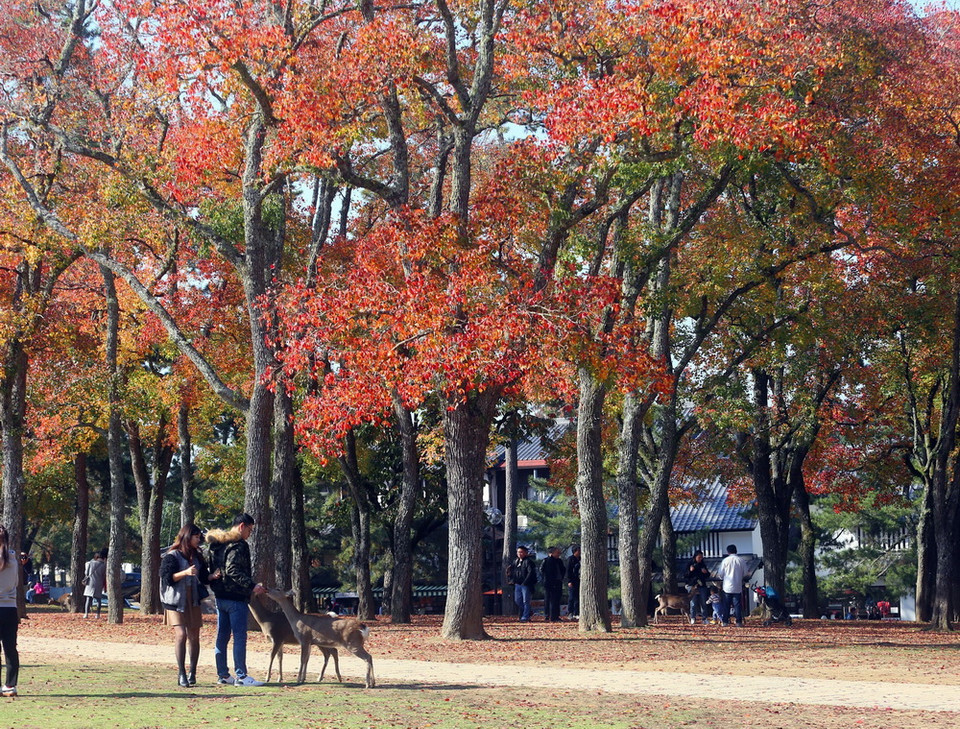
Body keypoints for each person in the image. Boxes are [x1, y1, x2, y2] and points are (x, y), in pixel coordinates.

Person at [206, 513, 266, 686]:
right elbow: (232, 570)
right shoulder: (239, 545)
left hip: (220, 596)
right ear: (241, 526)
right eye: (250, 530)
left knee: (222, 636)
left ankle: (223, 675)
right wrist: (252, 585)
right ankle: (241, 676)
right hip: (236, 598)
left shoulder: (216, 544)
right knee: (239, 636)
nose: (249, 534)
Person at [161, 523, 216, 688]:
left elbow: (204, 577)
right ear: (187, 536)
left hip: (193, 600)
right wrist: (185, 573)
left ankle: (192, 672)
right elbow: (167, 578)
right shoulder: (172, 555)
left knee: (194, 636)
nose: (198, 540)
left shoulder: (197, 556)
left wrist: (213, 576)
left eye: (199, 537)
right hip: (175, 601)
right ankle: (181, 673)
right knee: (181, 635)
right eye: (196, 537)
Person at [0, 526, 19, 697]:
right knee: (10, 649)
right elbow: (16, 583)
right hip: (10, 608)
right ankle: (10, 685)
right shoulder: (13, 560)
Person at [506, 545, 537, 622]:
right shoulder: (515, 561)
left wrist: (525, 582)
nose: (519, 554)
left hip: (526, 585)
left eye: (521, 552)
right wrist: (511, 579)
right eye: (518, 552)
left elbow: (530, 573)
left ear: (526, 553)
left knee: (526, 601)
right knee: (517, 600)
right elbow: (511, 571)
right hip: (517, 584)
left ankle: (525, 617)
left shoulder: (528, 562)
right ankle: (529, 611)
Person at [716, 544, 746, 627]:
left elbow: (720, 573)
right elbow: (745, 573)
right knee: (737, 605)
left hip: (727, 586)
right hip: (737, 586)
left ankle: (725, 621)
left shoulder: (725, 561)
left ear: (728, 552)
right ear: (736, 551)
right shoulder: (741, 560)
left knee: (726, 605)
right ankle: (738, 622)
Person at [685, 550, 711, 625]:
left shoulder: (702, 564)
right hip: (692, 585)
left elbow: (708, 575)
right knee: (693, 602)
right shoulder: (690, 564)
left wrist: (705, 572)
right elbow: (685, 575)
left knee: (703, 602)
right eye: (699, 557)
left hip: (702, 585)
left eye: (701, 557)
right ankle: (693, 617)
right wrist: (690, 571)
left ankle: (704, 618)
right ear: (695, 557)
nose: (700, 559)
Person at [540, 546, 566, 622]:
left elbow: (563, 570)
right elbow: (542, 571)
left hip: (558, 582)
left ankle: (555, 616)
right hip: (549, 583)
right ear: (551, 553)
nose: (558, 554)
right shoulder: (546, 561)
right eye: (557, 553)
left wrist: (561, 578)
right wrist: (546, 580)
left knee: (556, 600)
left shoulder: (559, 561)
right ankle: (548, 615)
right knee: (549, 599)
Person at [82, 549, 107, 619]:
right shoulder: (104, 565)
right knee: (98, 600)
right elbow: (104, 575)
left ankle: (86, 614)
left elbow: (86, 573)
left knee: (88, 599)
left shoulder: (91, 563)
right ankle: (98, 614)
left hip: (90, 583)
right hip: (99, 583)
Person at [566, 545, 581, 620]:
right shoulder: (570, 559)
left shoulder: (581, 559)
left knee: (578, 597)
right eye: (579, 550)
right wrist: (569, 581)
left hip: (579, 580)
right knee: (572, 597)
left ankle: (576, 613)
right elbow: (568, 570)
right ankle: (570, 612)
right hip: (573, 580)